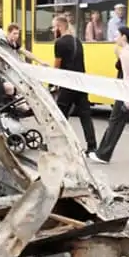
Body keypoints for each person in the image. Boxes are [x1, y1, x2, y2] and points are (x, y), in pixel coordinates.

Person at [90, 26, 129, 164]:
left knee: (115, 123)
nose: (115, 38)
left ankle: (103, 154)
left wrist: (126, 99)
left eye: (117, 35)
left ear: (124, 37)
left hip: (125, 93)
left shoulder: (126, 53)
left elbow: (126, 77)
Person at [52, 14, 98, 155]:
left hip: (67, 83)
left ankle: (57, 144)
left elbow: (57, 66)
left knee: (60, 115)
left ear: (60, 27)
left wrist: (52, 83)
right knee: (85, 115)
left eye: (54, 27)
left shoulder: (59, 43)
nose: (53, 30)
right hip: (80, 83)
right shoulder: (77, 41)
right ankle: (92, 146)